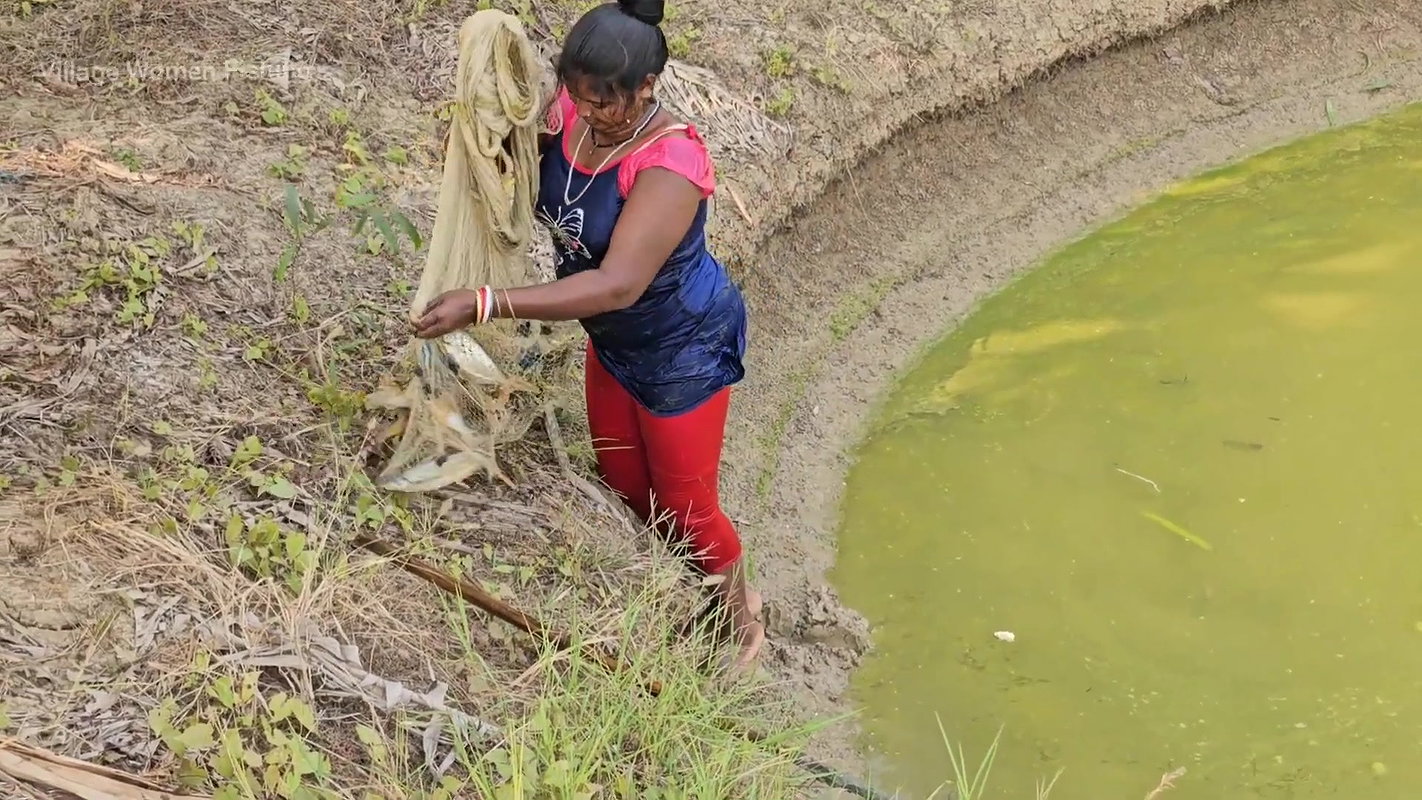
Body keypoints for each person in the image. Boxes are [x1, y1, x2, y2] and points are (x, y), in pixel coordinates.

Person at [412, 0, 764, 670]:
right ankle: (696, 581)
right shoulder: (572, 113)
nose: (586, 112)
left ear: (646, 90)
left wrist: (487, 302)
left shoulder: (670, 164)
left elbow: (617, 284)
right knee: (626, 481)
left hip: (679, 346)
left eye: (605, 103)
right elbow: (525, 152)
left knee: (687, 504)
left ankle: (742, 614)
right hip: (613, 343)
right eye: (577, 96)